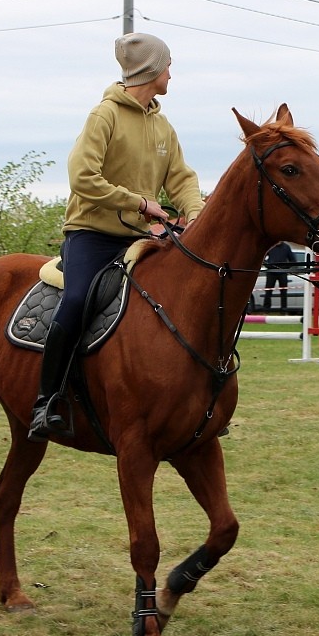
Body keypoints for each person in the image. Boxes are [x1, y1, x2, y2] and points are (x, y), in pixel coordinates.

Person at [28, 32, 205, 441]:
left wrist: (194, 212)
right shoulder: (103, 115)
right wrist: (141, 204)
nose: (171, 75)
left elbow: (181, 179)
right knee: (75, 303)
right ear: (152, 70)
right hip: (91, 235)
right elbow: (82, 177)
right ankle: (47, 401)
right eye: (168, 66)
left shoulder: (163, 126)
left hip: (137, 241)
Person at [262, 240, 294, 312]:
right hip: (271, 272)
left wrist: (285, 268)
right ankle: (266, 309)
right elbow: (263, 258)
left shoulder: (286, 247)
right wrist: (268, 265)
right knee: (268, 291)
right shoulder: (271, 246)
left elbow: (293, 260)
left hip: (282, 272)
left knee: (283, 292)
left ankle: (283, 309)